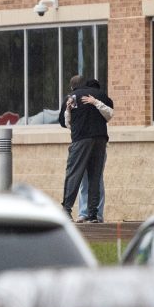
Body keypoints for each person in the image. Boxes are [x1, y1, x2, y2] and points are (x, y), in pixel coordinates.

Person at [59, 75, 114, 222]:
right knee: (95, 177)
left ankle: (66, 210)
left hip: (81, 139)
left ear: (72, 86)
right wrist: (96, 103)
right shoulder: (101, 94)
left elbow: (66, 123)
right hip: (100, 139)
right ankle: (93, 214)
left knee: (73, 175)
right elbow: (110, 114)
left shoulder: (71, 97)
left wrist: (69, 111)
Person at [77, 79, 109, 222]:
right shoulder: (82, 103)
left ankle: (96, 213)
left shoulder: (100, 103)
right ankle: (85, 212)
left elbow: (109, 114)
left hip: (97, 145)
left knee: (95, 180)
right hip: (85, 145)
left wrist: (96, 102)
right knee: (86, 180)